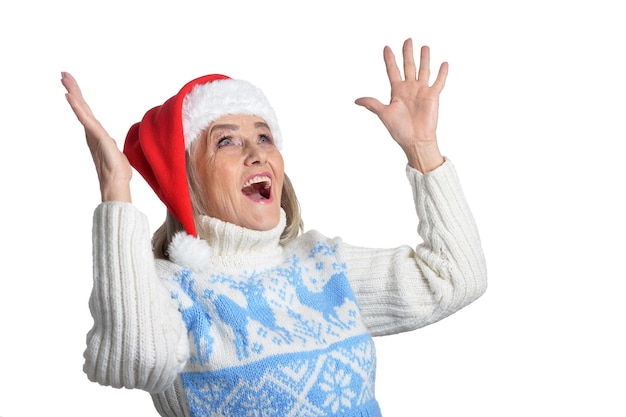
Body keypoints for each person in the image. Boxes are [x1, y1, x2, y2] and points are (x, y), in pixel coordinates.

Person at [62, 38, 487, 417]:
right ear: (185, 181)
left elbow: (453, 279)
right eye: (225, 141)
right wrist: (116, 191)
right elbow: (133, 360)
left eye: (264, 137)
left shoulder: (322, 263)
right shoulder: (172, 289)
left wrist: (422, 149)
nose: (256, 153)